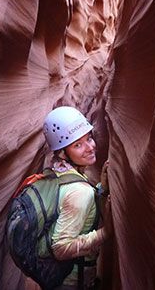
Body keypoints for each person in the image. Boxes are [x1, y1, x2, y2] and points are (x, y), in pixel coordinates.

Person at [40, 106, 113, 290]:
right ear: (63, 153)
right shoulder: (80, 191)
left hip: (55, 277)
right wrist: (106, 233)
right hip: (72, 281)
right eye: (78, 145)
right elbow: (61, 248)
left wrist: (101, 189)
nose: (90, 147)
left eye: (89, 138)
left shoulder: (56, 171)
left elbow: (66, 205)